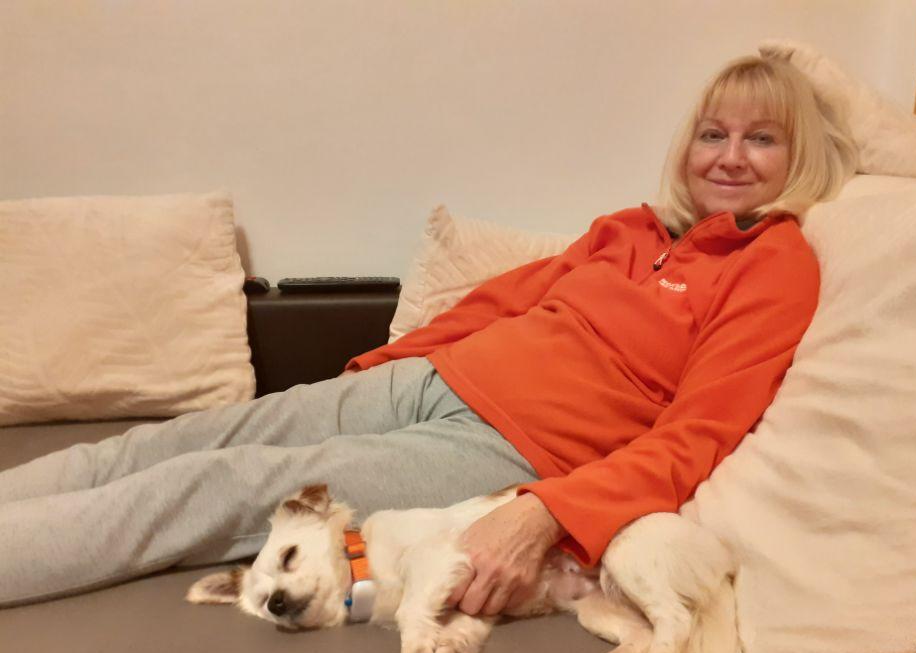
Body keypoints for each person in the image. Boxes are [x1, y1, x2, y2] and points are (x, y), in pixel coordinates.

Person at [0, 52, 856, 613]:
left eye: (761, 139)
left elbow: (696, 436)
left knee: (217, 485)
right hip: (430, 379)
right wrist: (379, 368)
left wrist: (548, 513)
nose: (729, 156)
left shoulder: (775, 266)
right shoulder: (629, 230)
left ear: (800, 158)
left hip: (505, 448)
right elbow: (499, 304)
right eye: (713, 134)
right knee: (177, 438)